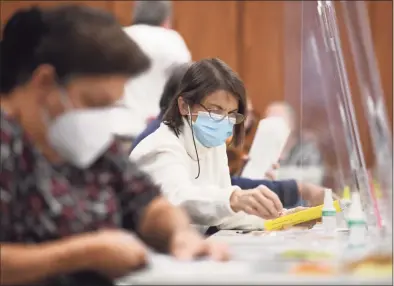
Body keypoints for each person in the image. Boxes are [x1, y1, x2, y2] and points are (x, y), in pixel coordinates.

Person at [0, 7, 227, 286]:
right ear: (45, 83)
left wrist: (179, 233)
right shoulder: (8, 143)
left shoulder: (87, 146)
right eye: (94, 104)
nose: (101, 120)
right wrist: (84, 254)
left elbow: (148, 202)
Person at [131, 58, 328, 233]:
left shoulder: (212, 144)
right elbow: (178, 198)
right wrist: (234, 197)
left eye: (231, 114)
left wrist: (281, 218)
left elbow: (223, 213)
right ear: (183, 106)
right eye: (216, 110)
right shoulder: (160, 146)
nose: (224, 120)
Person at [123, 0, 191, 138]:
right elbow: (187, 82)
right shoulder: (172, 40)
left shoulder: (121, 37)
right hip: (160, 130)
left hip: (123, 127)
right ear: (167, 19)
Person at [265, 102, 324, 185]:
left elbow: (314, 177)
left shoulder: (307, 149)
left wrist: (274, 175)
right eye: (268, 121)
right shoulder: (264, 150)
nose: (272, 126)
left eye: (277, 120)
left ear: (291, 124)